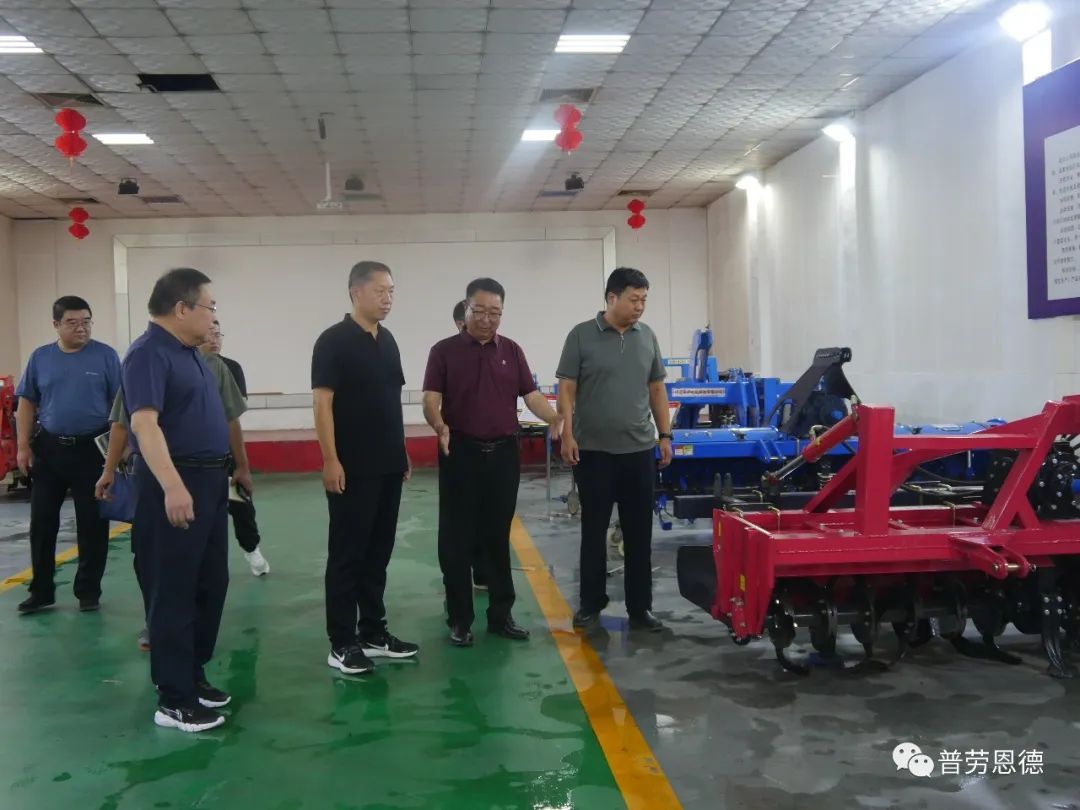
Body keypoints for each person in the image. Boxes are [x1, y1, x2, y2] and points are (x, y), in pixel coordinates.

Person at [123, 267, 233, 733]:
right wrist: (171, 484)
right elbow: (143, 424)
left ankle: (192, 674)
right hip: (176, 483)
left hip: (209, 483)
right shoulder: (148, 353)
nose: (214, 315)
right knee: (173, 590)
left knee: (210, 583)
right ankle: (173, 698)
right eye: (210, 306)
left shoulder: (190, 353)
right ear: (182, 308)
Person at [423, 278, 560, 646]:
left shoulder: (511, 350)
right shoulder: (444, 351)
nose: (487, 319)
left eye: (495, 313)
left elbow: (530, 395)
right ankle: (460, 619)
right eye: (480, 311)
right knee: (457, 538)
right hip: (460, 453)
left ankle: (501, 615)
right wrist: (439, 425)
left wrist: (555, 417)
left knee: (497, 536)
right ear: (466, 309)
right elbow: (431, 399)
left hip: (503, 455)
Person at [96, 337, 253, 651]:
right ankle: (156, 623)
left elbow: (231, 420)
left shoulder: (215, 367)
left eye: (216, 321)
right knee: (155, 558)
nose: (212, 328)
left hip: (208, 477)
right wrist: (109, 469)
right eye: (207, 314)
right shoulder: (147, 360)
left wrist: (242, 466)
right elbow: (124, 424)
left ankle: (193, 638)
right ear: (182, 314)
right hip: (158, 478)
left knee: (207, 565)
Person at [312, 260, 418, 676]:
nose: (388, 298)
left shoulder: (387, 340)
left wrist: (401, 450)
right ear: (356, 292)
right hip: (352, 468)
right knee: (348, 555)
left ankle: (373, 632)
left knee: (378, 553)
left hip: (388, 464)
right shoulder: (333, 341)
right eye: (380, 291)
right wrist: (330, 459)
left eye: (392, 291)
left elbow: (390, 400)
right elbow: (322, 403)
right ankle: (341, 642)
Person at [556, 267, 673, 632]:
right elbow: (567, 388)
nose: (640, 307)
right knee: (593, 531)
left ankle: (640, 608)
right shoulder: (581, 336)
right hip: (593, 452)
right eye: (633, 299)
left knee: (639, 533)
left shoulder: (647, 336)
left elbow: (656, 389)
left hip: (638, 451)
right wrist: (567, 433)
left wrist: (665, 435)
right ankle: (591, 604)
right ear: (611, 298)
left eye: (644, 300)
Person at [14, 295, 121, 614]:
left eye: (86, 321)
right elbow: (26, 403)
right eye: (72, 323)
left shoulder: (106, 356)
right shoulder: (41, 357)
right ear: (56, 324)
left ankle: (88, 591)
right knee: (42, 522)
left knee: (93, 524)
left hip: (92, 451)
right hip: (49, 450)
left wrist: (118, 454)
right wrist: (22, 446)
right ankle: (41, 590)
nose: (81, 328)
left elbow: (120, 406)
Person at [202, 319, 269, 576]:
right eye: (210, 334)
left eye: (218, 334)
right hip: (196, 456)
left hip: (227, 452)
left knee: (241, 506)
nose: (215, 339)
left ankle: (252, 549)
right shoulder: (186, 365)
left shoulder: (230, 368)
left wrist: (242, 463)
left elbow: (234, 411)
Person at [450, 298, 488, 592]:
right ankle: (458, 576)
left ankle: (484, 570)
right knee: (462, 517)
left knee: (489, 515)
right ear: (459, 323)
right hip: (460, 448)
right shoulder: (447, 355)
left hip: (495, 450)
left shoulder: (501, 352)